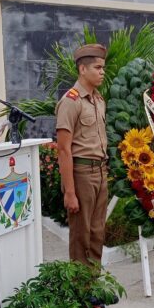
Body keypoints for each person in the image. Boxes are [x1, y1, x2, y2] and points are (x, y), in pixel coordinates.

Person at [55, 44, 109, 265]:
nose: (102, 72)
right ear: (82, 69)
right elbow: (63, 149)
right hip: (81, 173)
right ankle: (81, 288)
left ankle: (93, 282)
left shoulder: (98, 100)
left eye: (103, 67)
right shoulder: (71, 101)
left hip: (100, 171)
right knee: (81, 234)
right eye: (97, 67)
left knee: (97, 232)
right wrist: (70, 191)